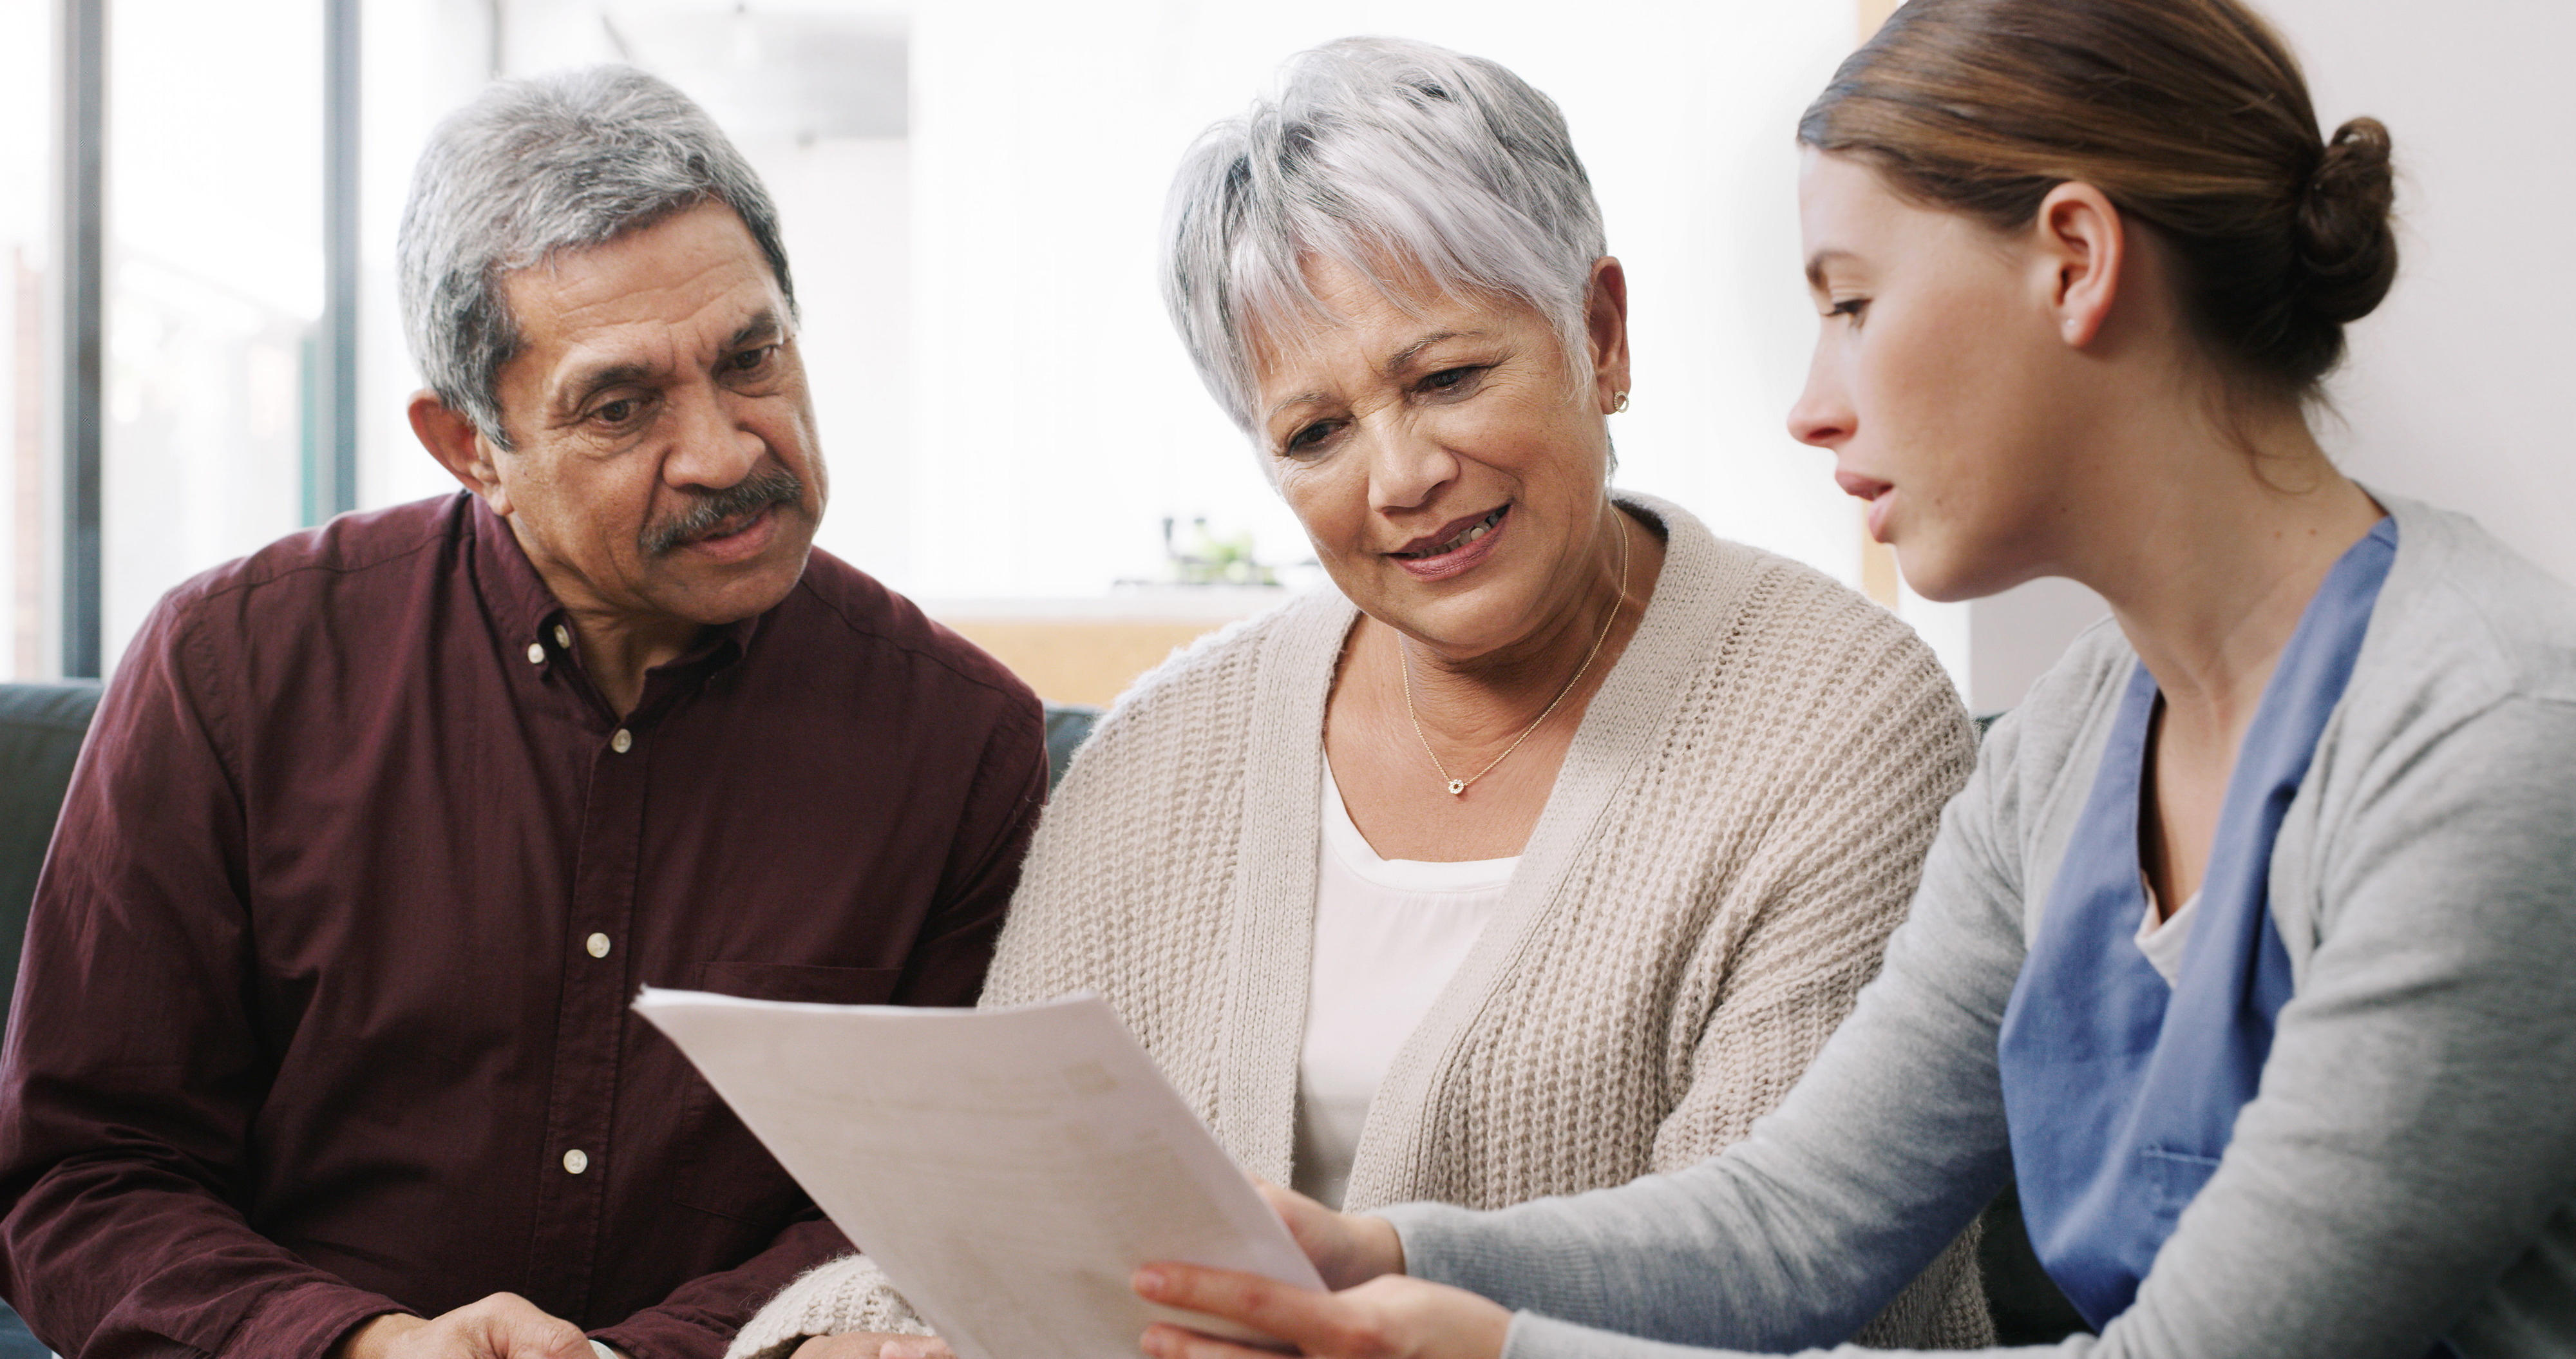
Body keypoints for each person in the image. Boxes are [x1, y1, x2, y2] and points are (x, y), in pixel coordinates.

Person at [1121, 1, 2576, 1356]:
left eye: (1851, 302)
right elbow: (1791, 1223)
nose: (1811, 407)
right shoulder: (2069, 747)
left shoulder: (2487, 745)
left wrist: (1497, 1345)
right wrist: (1374, 1252)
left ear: (2072, 259)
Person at [729, 38, 1989, 1359]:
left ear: (1598, 335)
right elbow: (986, 1227)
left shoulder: (1838, 718)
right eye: (1314, 432)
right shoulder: (1161, 751)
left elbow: (1791, 1283)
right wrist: (844, 1342)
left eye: (1445, 378)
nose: (1397, 476)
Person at [0, 68, 1048, 1359]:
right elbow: (84, 1173)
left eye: (750, 355)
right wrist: (361, 1343)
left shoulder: (959, 743)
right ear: (467, 446)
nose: (724, 449)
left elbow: (924, 1200)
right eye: (620, 406)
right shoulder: (231, 667)